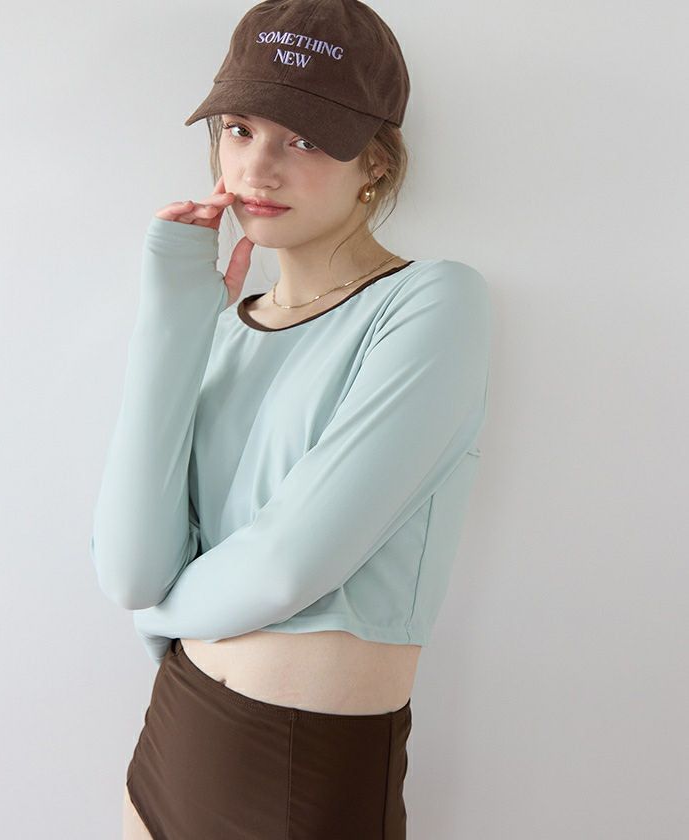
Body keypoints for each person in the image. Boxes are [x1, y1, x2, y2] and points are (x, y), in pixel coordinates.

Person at [89, 1, 491, 837]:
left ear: (375, 161)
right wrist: (173, 316)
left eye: (303, 139)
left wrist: (156, 617)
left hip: (306, 772)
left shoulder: (431, 303)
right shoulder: (220, 332)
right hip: (170, 746)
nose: (257, 169)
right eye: (240, 129)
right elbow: (130, 569)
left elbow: (287, 567)